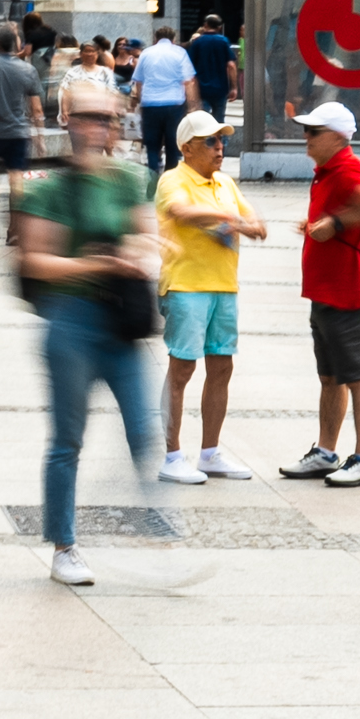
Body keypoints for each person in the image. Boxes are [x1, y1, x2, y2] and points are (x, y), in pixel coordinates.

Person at [11, 83, 160, 587]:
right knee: (67, 441)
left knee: (145, 429)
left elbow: (147, 233)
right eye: (90, 117)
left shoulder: (131, 178)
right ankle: (64, 545)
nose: (100, 127)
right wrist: (91, 263)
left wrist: (139, 253)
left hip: (120, 322)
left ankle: (153, 520)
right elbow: (32, 259)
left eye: (109, 118)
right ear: (68, 120)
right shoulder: (47, 187)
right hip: (71, 320)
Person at [154, 109, 264, 481]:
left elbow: (258, 223)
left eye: (222, 141)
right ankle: (171, 456)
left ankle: (210, 453)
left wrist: (240, 223)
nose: (220, 149)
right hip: (186, 286)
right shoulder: (174, 179)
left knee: (222, 367)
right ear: (186, 148)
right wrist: (231, 221)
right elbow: (178, 209)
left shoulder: (226, 184)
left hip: (223, 287)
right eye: (211, 142)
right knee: (181, 369)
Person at [279, 100, 360, 485]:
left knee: (357, 376)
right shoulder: (326, 171)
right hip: (325, 291)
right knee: (330, 377)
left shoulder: (346, 167)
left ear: (337, 138)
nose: (306, 138)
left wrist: (336, 223)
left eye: (313, 132)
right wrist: (316, 224)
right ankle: (326, 452)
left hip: (347, 292)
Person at [0, 23, 44, 232]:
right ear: (13, 43)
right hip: (19, 132)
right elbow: (36, 109)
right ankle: (14, 227)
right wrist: (40, 137)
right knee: (16, 178)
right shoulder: (28, 69)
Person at [131, 23, 198, 175]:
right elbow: (188, 81)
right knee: (172, 144)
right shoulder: (180, 53)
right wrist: (192, 104)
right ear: (173, 39)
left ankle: (152, 174)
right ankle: (170, 176)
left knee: (152, 144)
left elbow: (139, 81)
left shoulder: (146, 53)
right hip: (174, 103)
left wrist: (141, 101)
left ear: (155, 38)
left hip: (150, 103)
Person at [188, 14, 237, 120]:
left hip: (202, 88)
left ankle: (205, 136)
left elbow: (189, 67)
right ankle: (218, 136)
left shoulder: (197, 42)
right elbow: (231, 65)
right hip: (220, 87)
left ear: (205, 25)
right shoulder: (223, 41)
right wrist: (234, 87)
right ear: (219, 27)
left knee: (203, 120)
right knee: (219, 120)